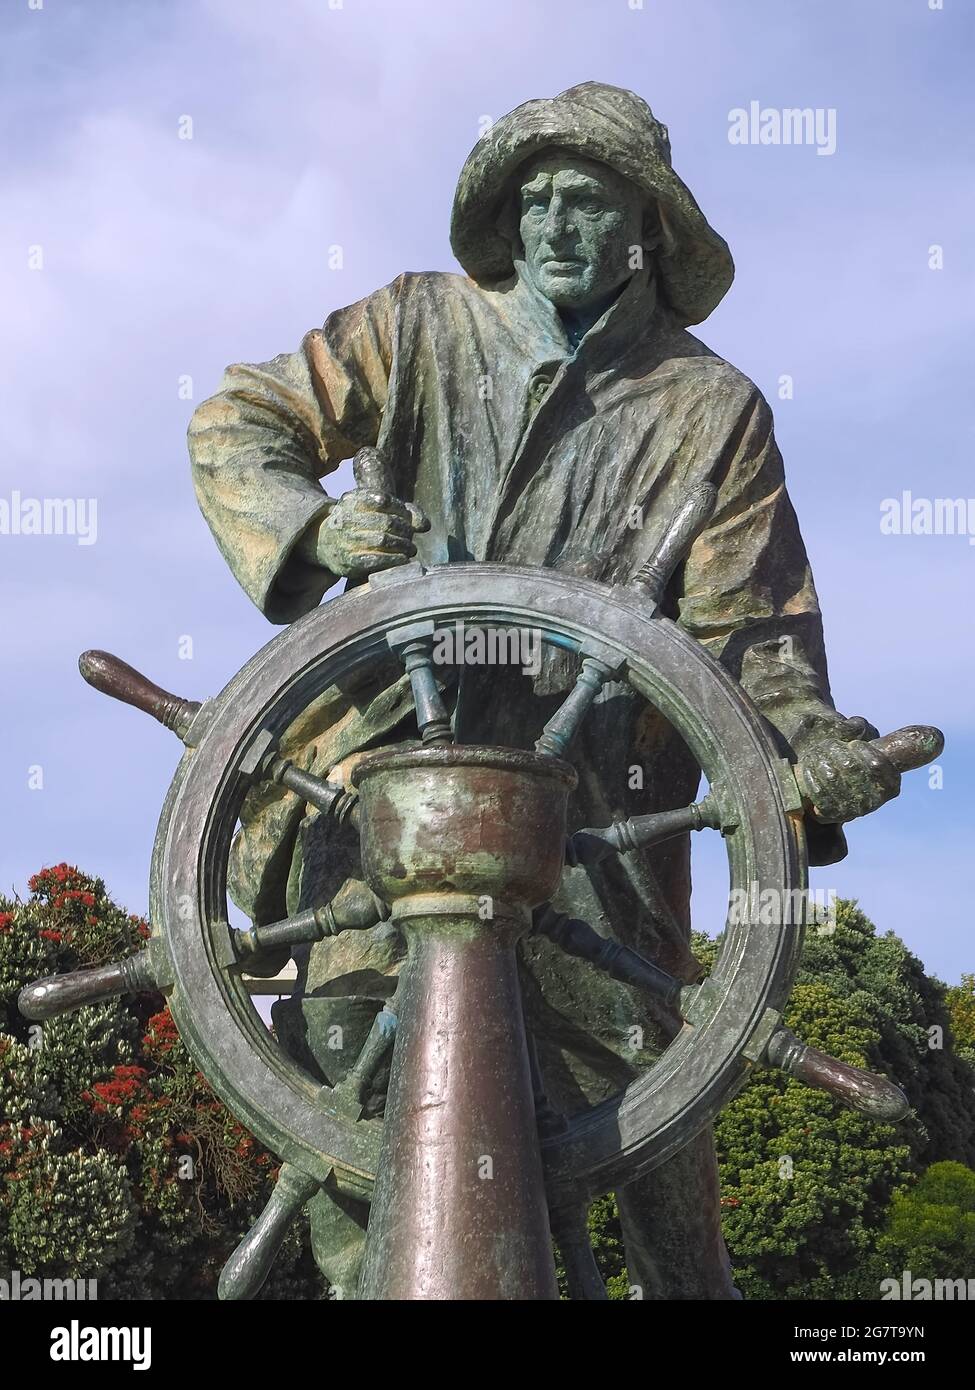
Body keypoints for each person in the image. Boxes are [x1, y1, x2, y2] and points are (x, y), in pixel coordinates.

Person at [188, 82, 900, 1298]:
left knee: (648, 1120)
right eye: (536, 201)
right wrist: (314, 526)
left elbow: (754, 636)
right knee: (354, 1073)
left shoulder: (707, 407)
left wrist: (813, 741)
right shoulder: (415, 326)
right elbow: (240, 418)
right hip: (383, 787)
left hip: (599, 813)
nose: (556, 226)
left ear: (648, 226)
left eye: (588, 200)